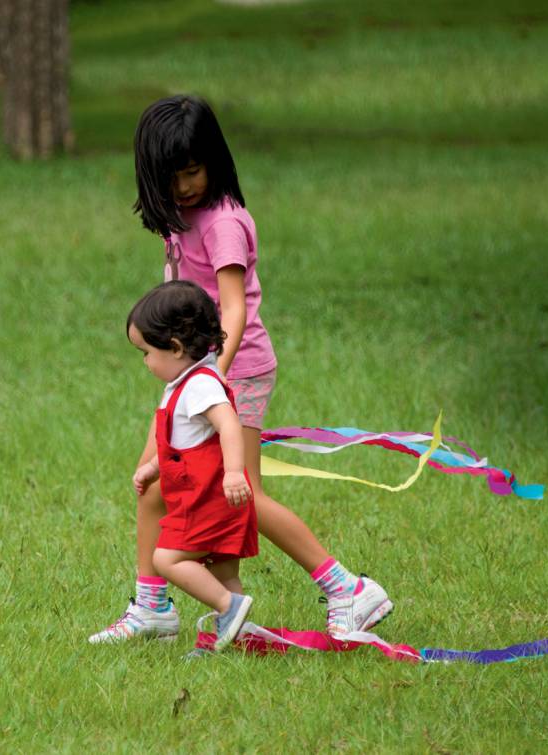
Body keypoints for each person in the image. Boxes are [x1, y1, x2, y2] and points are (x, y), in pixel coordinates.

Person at [89, 95, 392, 644]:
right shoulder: (179, 218)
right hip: (195, 373)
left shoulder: (223, 223)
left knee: (242, 491)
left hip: (234, 372)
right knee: (154, 484)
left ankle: (347, 587)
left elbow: (233, 309)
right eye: (173, 176)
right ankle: (156, 606)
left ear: (215, 161)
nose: (184, 186)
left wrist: (212, 380)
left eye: (193, 171)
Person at [123, 280, 256, 651]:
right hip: (217, 500)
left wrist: (232, 472)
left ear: (176, 348)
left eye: (146, 352)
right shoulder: (187, 379)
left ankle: (229, 608)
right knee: (223, 572)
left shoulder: (200, 384)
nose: (146, 362)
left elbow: (229, 424)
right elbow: (182, 443)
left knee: (165, 558)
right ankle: (235, 637)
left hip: (209, 500)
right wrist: (152, 468)